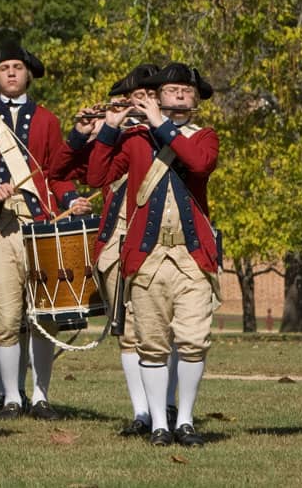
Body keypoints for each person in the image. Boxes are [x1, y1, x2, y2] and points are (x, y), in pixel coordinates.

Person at [88, 62, 219, 448]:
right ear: (158, 95)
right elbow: (97, 178)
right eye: (171, 89)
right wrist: (110, 126)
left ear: (195, 99)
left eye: (186, 90)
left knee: (194, 340)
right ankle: (159, 422)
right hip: (146, 255)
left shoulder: (204, 136)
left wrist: (160, 123)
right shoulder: (134, 139)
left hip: (190, 254)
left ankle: (187, 419)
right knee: (152, 342)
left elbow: (198, 163)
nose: (179, 94)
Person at [0, 43, 85, 421]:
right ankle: (9, 396)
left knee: (43, 317)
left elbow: (58, 173)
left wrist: (71, 199)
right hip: (1, 226)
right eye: (4, 67)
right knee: (4, 319)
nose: (10, 73)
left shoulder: (47, 121)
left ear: (28, 74)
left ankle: (39, 396)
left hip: (41, 226)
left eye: (17, 67)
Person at [58, 63, 160, 436]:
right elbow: (66, 170)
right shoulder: (113, 136)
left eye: (151, 95)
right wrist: (91, 132)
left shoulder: (176, 134)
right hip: (119, 240)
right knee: (130, 331)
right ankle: (142, 413)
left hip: (163, 241)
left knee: (165, 329)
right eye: (138, 97)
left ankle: (167, 408)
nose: (144, 103)